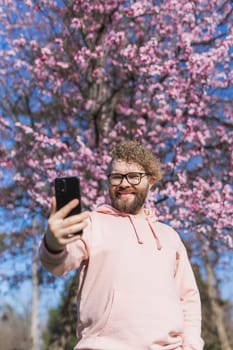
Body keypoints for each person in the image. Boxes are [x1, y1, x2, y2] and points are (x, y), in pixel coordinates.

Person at [39, 140, 204, 350]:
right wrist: (53, 244)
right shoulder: (91, 223)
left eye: (134, 176)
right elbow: (59, 264)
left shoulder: (169, 236)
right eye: (117, 176)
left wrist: (190, 346)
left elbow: (188, 297)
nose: (124, 183)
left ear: (151, 181)